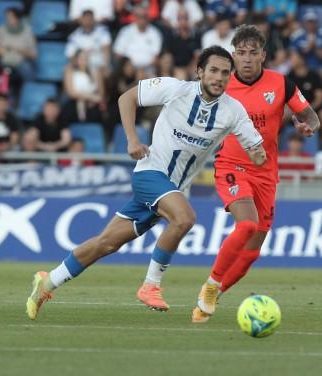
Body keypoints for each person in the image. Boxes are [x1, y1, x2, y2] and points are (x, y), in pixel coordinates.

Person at [26, 46, 266, 320]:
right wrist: (131, 139)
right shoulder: (175, 89)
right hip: (150, 173)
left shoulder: (233, 110)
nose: (219, 77)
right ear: (200, 71)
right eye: (213, 70)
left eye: (225, 72)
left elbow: (256, 148)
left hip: (170, 188)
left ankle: (47, 282)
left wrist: (259, 155)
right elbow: (126, 98)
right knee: (185, 218)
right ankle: (151, 285)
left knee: (106, 243)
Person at [190, 25, 319, 323]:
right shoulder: (220, 85)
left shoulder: (281, 83)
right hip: (232, 166)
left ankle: (214, 293)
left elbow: (308, 113)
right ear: (233, 55)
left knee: (252, 252)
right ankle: (211, 286)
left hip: (266, 173)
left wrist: (310, 125)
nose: (247, 59)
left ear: (264, 55)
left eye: (253, 53)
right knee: (247, 224)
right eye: (241, 53)